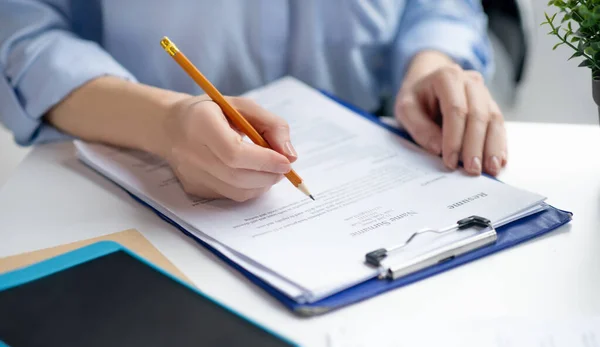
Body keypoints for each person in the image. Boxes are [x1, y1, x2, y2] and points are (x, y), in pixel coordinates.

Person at [0, 1, 506, 202]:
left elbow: (440, 7)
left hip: (379, 167)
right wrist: (165, 123)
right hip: (138, 196)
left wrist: (433, 61)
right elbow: (26, 37)